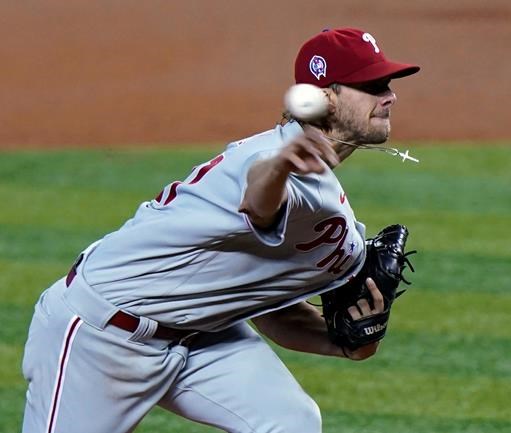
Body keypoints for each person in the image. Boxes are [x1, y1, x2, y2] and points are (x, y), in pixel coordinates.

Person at [21, 27, 420, 433]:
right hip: (100, 333)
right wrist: (282, 166)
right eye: (371, 85)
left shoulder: (333, 213)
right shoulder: (267, 161)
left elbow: (269, 309)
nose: (389, 95)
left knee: (291, 422)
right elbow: (258, 201)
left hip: (201, 336)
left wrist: (349, 343)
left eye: (387, 84)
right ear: (324, 99)